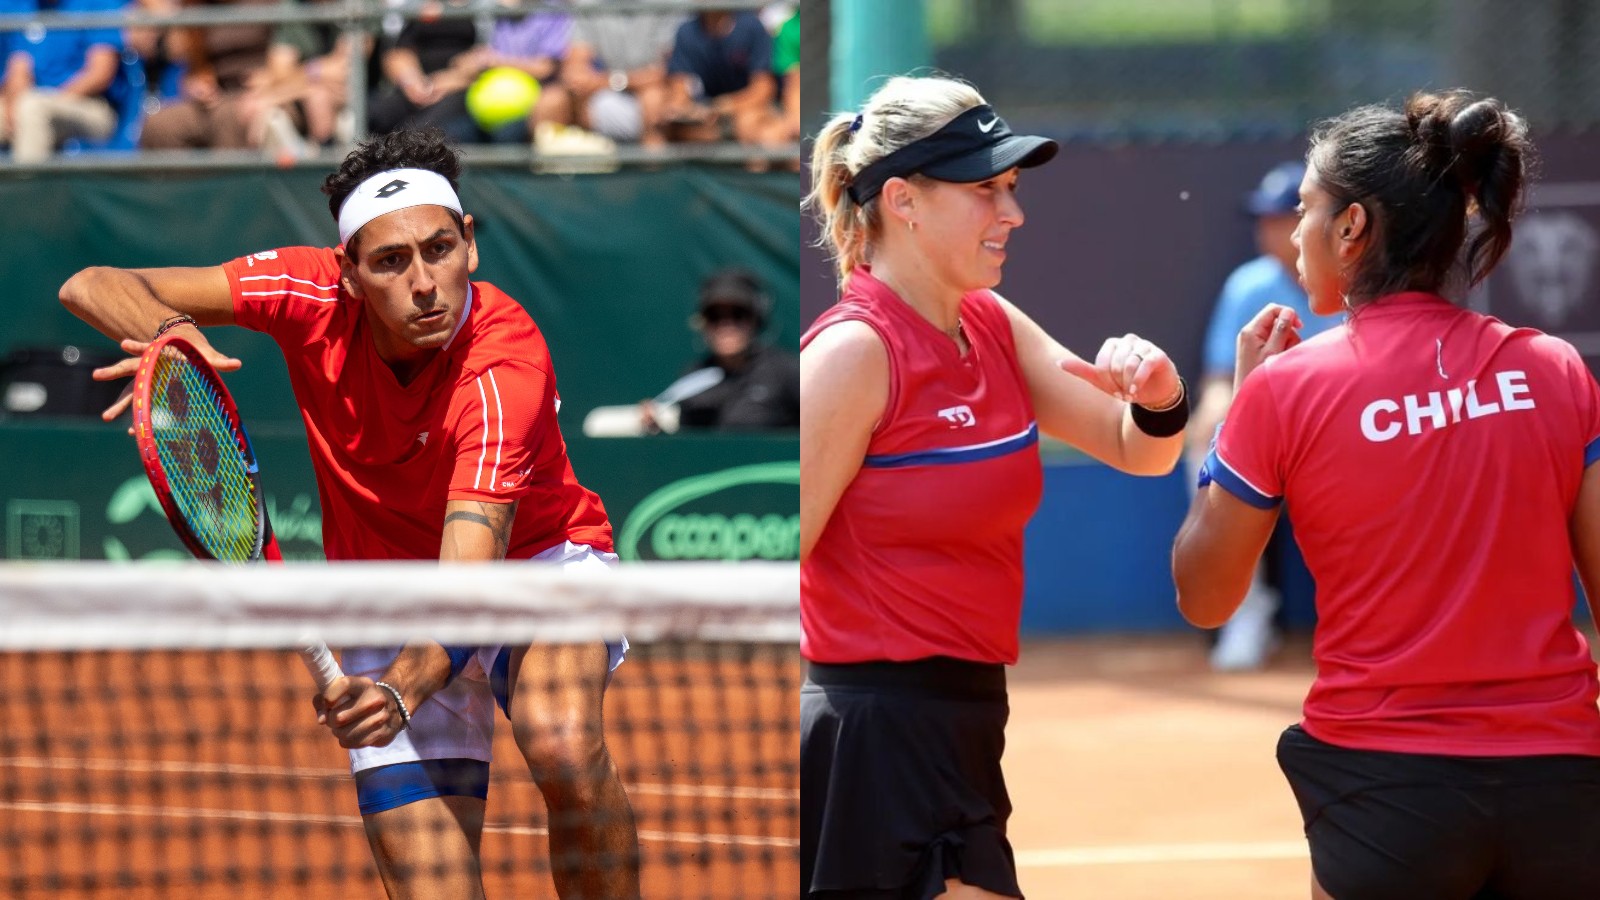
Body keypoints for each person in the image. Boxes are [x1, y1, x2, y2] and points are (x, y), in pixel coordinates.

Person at [58, 127, 641, 900]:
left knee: (562, 740)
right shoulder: (307, 293)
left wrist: (398, 688)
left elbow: (470, 586)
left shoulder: (506, 363)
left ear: (470, 243)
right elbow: (92, 282)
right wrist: (168, 330)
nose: (425, 283)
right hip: (383, 588)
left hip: (532, 566)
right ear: (350, 273)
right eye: (391, 262)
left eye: (438, 249)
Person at [1172, 91, 1600, 900]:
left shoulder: (1286, 390)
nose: (1295, 234)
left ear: (1353, 227)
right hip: (1562, 787)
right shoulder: (1555, 369)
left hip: (1385, 792)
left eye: (1306, 209)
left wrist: (1238, 429)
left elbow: (1205, 595)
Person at [800, 75, 1188, 900]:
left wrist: (1157, 396)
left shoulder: (991, 324)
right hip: (875, 732)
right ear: (902, 200)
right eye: (985, 191)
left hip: (970, 718)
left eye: (1010, 189)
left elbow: (1137, 449)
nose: (1012, 213)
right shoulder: (853, 355)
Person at [1191, 160, 1344, 671]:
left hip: (1347, 430)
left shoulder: (1356, 278)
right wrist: (1216, 419)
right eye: (1265, 219)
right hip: (1274, 430)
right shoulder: (1247, 285)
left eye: (1283, 217)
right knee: (1201, 447)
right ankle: (1245, 611)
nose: (1271, 230)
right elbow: (1219, 376)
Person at [640, 267, 798, 432]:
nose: (726, 325)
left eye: (738, 314)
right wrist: (656, 431)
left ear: (756, 320)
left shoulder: (786, 372)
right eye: (714, 316)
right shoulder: (692, 377)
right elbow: (689, 452)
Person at [0, 0, 124, 163]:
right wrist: (13, 103)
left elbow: (100, 74)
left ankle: (26, 186)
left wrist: (49, 100)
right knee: (24, 108)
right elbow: (18, 68)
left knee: (32, 108)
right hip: (31, 101)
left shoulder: (98, 4)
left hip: (91, 107)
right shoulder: (21, 6)